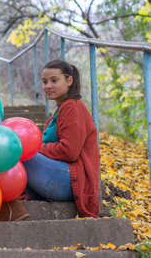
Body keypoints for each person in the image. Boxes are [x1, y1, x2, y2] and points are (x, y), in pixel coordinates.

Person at [22, 59, 100, 218]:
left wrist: (35, 148)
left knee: (16, 151)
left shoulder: (73, 107)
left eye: (54, 80)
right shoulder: (60, 111)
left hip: (71, 181)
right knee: (14, 149)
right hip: (59, 176)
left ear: (69, 80)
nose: (48, 86)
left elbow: (69, 151)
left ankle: (10, 209)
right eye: (44, 82)